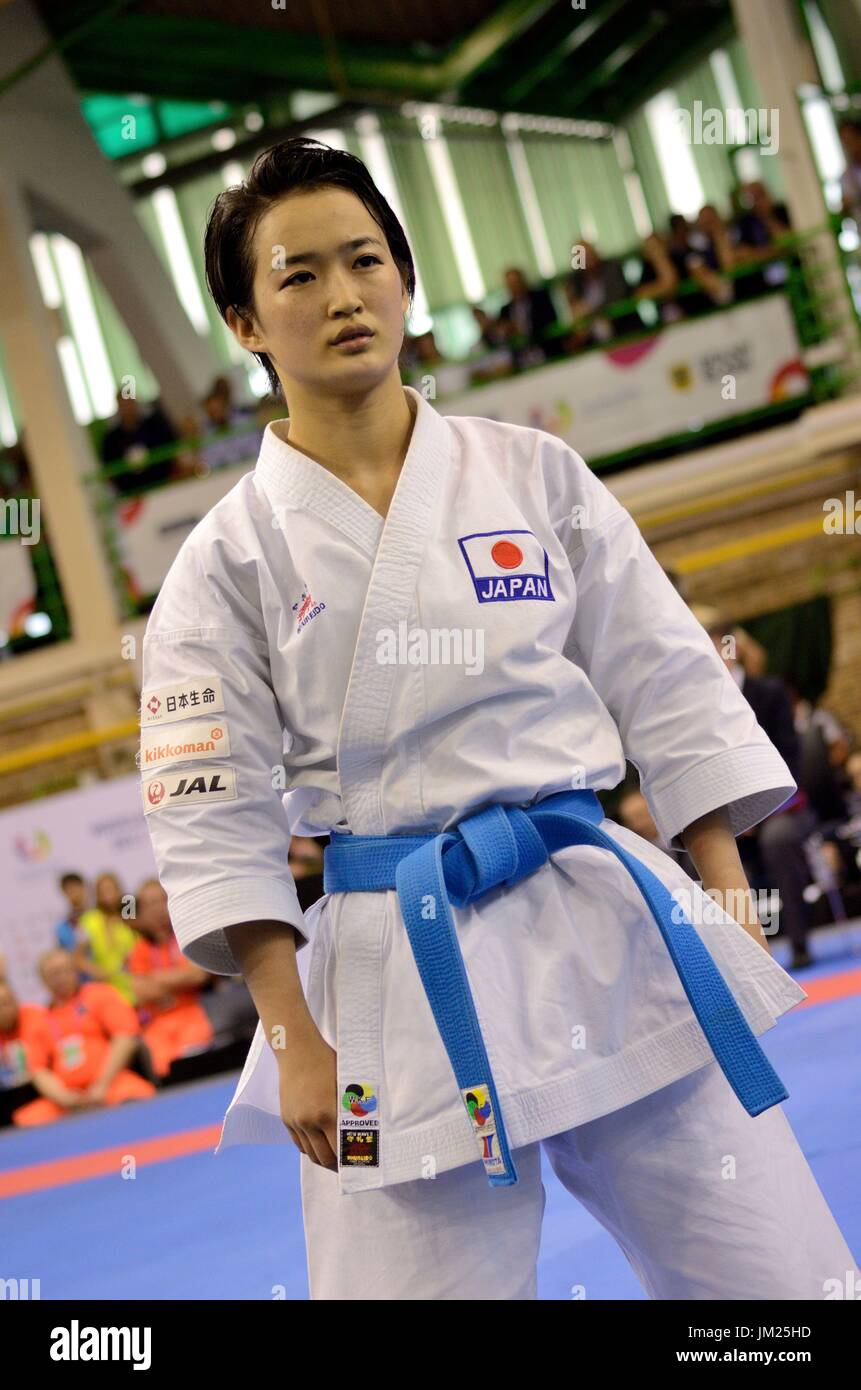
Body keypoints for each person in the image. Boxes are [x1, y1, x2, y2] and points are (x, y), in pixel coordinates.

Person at [139, 136, 856, 1301]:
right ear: (246, 324)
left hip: (602, 913)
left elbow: (664, 675)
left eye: (365, 260)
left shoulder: (534, 473)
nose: (343, 295)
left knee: (775, 1276)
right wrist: (290, 1038)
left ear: (408, 280)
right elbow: (210, 814)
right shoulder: (223, 562)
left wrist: (724, 880)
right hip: (389, 969)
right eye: (298, 275)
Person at [11, 950, 154, 1127]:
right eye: (53, 974)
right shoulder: (40, 1018)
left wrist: (101, 1085)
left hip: (111, 1082)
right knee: (27, 1120)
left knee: (137, 1097)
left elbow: (126, 1036)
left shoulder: (99, 994)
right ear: (44, 981)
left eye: (65, 970)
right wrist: (64, 1097)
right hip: (66, 1098)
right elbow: (37, 1069)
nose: (60, 978)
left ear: (75, 971)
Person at [127, 879, 214, 1077]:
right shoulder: (139, 950)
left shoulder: (187, 936)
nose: (157, 909)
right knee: (166, 1074)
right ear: (140, 913)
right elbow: (141, 993)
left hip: (191, 1014)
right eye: (149, 904)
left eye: (161, 901)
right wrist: (178, 979)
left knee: (194, 1066)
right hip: (156, 1024)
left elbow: (198, 975)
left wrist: (153, 978)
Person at [100, 389, 178, 495]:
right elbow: (109, 469)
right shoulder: (111, 439)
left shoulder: (155, 425)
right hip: (132, 493)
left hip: (164, 484)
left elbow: (173, 448)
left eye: (129, 402)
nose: (127, 407)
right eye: (123, 404)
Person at [76, 872, 137, 1002]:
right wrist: (96, 972)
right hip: (109, 986)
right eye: (103, 890)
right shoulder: (89, 920)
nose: (108, 894)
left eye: (111, 888)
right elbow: (78, 958)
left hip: (137, 979)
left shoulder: (128, 909)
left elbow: (141, 935)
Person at [496, 266, 560, 363]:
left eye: (516, 282)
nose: (514, 287)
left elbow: (551, 320)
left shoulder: (541, 298)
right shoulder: (505, 310)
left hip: (545, 352)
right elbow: (502, 337)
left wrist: (523, 327)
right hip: (521, 359)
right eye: (510, 284)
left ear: (523, 281)